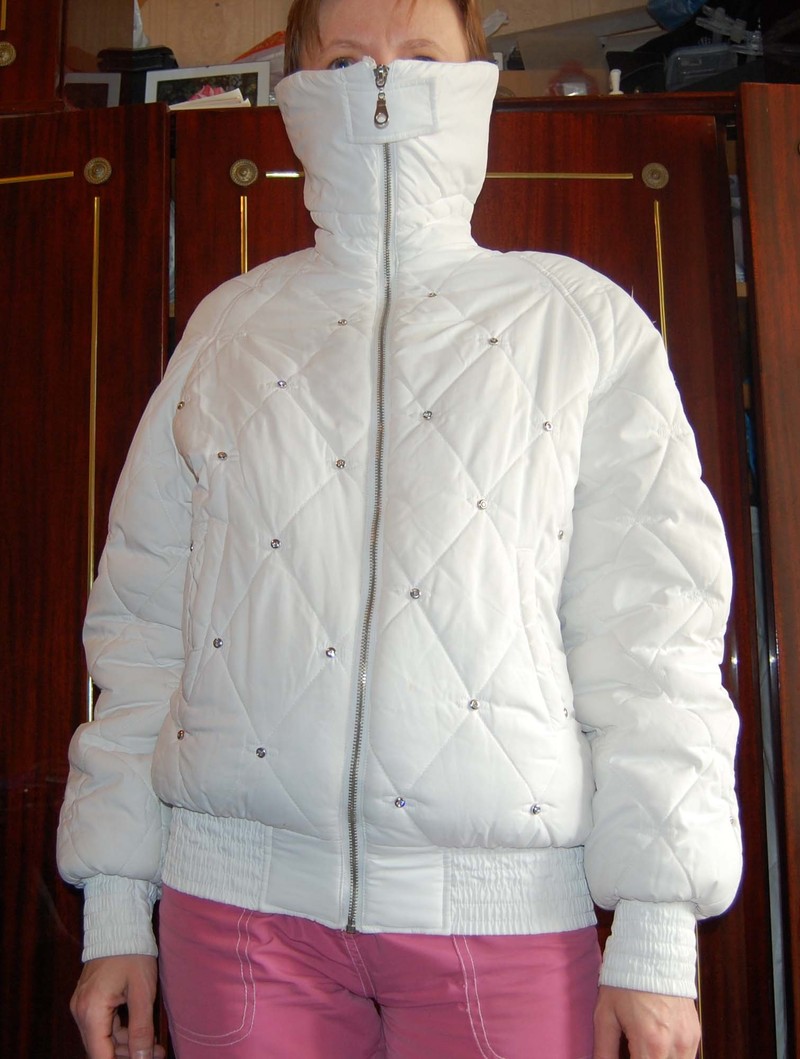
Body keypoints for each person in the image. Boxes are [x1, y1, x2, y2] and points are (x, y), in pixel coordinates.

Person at [57, 0, 743, 1056]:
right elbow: (143, 628)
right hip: (237, 914)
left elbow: (653, 637)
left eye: (419, 54)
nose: (381, 83)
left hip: (504, 919)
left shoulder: (579, 324)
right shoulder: (230, 329)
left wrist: (655, 931)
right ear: (296, 85)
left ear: (474, 72)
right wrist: (114, 906)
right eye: (345, 60)